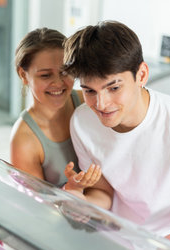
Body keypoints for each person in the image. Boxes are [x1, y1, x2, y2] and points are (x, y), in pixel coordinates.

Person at [62, 20, 170, 250]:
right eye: (89, 90)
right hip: (113, 244)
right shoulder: (82, 121)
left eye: (113, 88)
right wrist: (79, 201)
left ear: (141, 75)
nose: (101, 104)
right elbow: (104, 193)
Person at [10, 27, 101, 188]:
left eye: (65, 72)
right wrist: (70, 190)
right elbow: (34, 206)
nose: (58, 83)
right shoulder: (24, 139)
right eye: (45, 75)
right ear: (23, 75)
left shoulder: (89, 101)